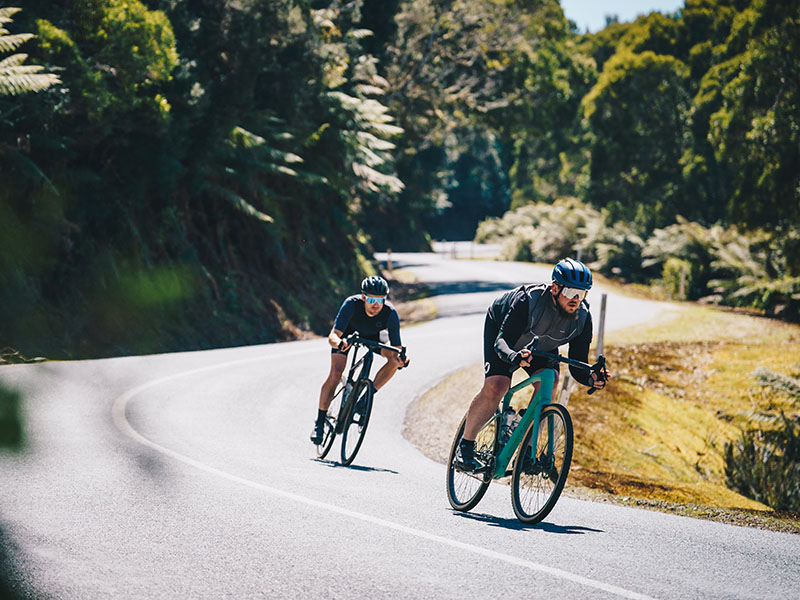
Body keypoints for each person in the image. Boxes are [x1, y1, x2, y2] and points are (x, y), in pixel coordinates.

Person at [454, 257, 609, 471]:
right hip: (505, 335)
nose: (575, 299)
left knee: (551, 381)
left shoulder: (582, 318)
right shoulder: (528, 301)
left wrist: (590, 377)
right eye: (570, 292)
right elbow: (502, 342)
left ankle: (526, 453)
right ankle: (465, 447)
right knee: (497, 385)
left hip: (540, 345)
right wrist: (514, 357)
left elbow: (578, 363)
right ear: (555, 288)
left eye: (581, 294)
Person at [310, 275, 409, 444]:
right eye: (371, 299)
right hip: (348, 336)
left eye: (380, 300)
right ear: (363, 297)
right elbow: (333, 336)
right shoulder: (351, 304)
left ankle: (365, 399)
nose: (376, 304)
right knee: (335, 373)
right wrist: (339, 343)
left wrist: (400, 359)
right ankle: (319, 423)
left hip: (375, 336)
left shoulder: (390, 313)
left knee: (393, 360)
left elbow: (397, 348)